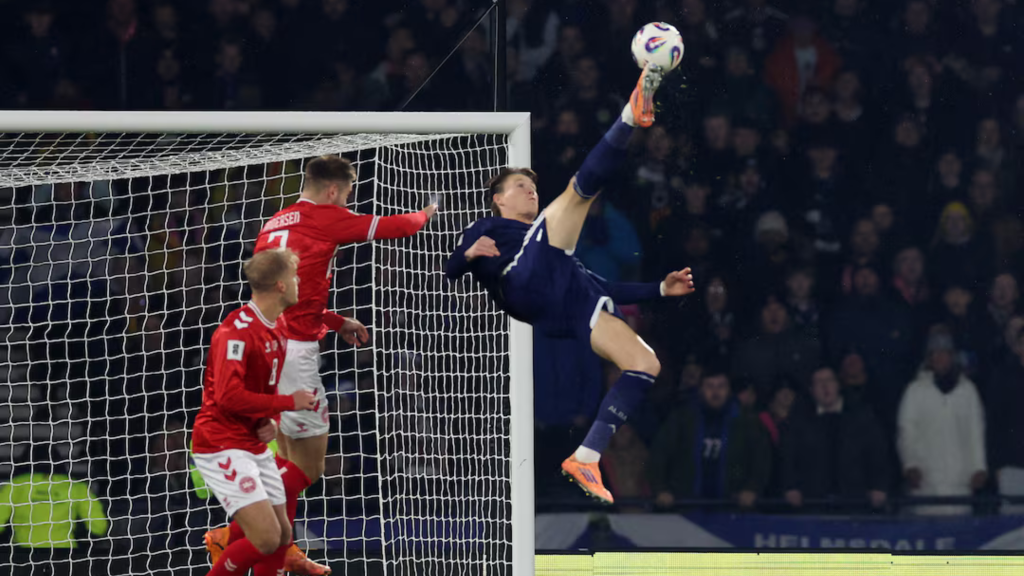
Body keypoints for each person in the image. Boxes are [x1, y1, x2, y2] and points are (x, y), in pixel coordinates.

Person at [446, 64, 695, 504]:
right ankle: (629, 116)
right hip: (522, 281)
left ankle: (585, 456)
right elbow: (450, 269)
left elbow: (603, 285)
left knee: (645, 363)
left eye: (531, 188)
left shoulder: (558, 250)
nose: (530, 192)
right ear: (498, 199)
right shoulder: (490, 227)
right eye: (520, 186)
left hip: (562, 304)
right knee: (580, 192)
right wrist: (467, 255)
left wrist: (659, 289)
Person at [204, 156, 436, 573]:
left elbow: (288, 296)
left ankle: (281, 551)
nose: (347, 202)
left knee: (286, 460)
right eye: (347, 194)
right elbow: (398, 226)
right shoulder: (326, 216)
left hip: (271, 344)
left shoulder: (274, 222)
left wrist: (334, 320)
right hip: (295, 355)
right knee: (309, 467)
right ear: (333, 191)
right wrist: (430, 210)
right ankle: (233, 536)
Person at [191, 249, 318, 576]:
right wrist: (287, 404)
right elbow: (229, 398)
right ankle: (221, 549)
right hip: (221, 445)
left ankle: (227, 543)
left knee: (283, 536)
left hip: (251, 443)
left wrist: (271, 420)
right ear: (279, 285)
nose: (297, 282)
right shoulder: (236, 332)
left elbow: (264, 384)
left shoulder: (277, 323)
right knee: (265, 538)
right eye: (293, 277)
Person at [897, 327, 987, 516]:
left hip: (960, 483)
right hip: (926, 482)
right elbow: (906, 432)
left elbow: (975, 431)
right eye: (935, 353)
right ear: (929, 358)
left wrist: (978, 467)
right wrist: (910, 464)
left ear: (952, 356)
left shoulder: (968, 391)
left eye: (945, 353)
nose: (940, 358)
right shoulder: (915, 390)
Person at [648, 372, 771, 510]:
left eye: (721, 386)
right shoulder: (683, 418)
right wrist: (660, 489)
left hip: (733, 506)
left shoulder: (747, 421)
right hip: (686, 505)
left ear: (729, 390)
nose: (715, 392)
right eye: (710, 386)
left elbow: (762, 458)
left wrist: (752, 488)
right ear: (701, 389)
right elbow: (659, 454)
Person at [781, 367, 889, 511]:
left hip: (855, 500)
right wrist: (791, 487)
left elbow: (878, 453)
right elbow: (787, 456)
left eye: (829, 381)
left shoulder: (861, 415)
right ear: (812, 390)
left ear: (838, 385)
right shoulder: (799, 419)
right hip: (813, 502)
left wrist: (878, 486)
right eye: (819, 383)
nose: (825, 387)